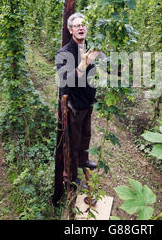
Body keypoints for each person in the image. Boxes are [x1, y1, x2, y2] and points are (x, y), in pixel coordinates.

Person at [53, 12, 101, 206]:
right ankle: (71, 178)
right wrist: (83, 64)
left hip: (88, 103)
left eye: (84, 25)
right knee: (71, 144)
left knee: (86, 136)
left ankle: (84, 160)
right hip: (73, 107)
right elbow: (65, 83)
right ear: (70, 29)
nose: (81, 28)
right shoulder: (64, 53)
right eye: (77, 25)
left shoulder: (92, 48)